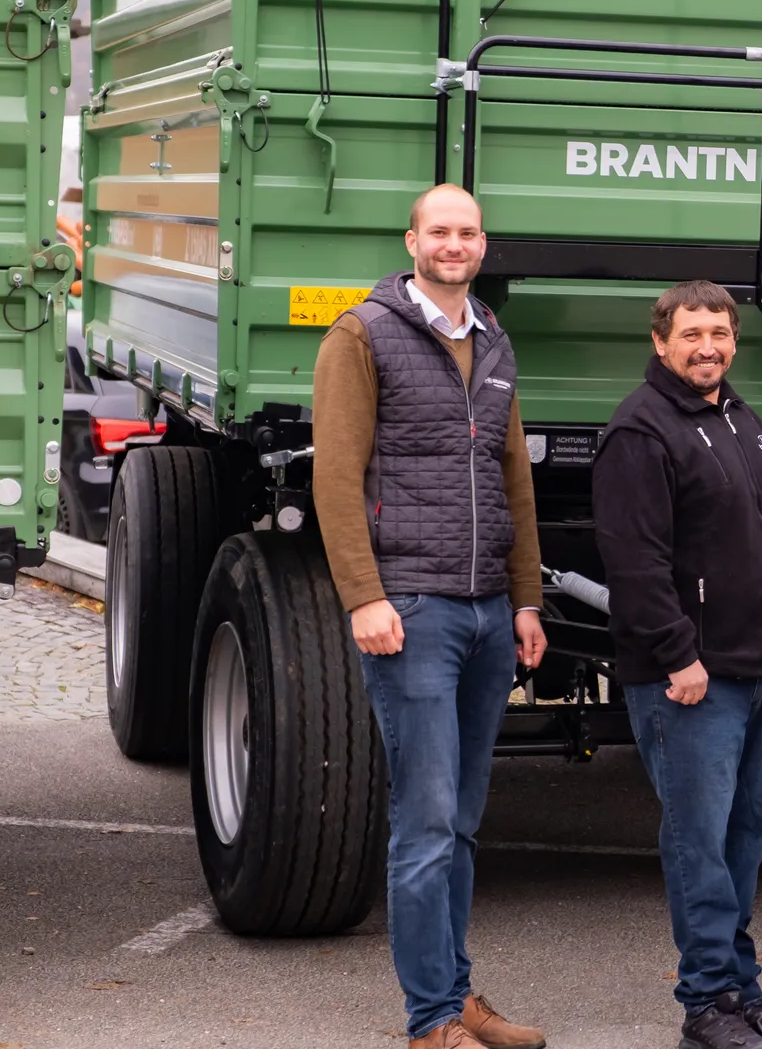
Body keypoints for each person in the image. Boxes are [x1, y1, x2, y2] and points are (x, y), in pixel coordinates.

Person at [312, 184, 550, 1049]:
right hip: (411, 609)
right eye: (440, 231)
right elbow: (336, 476)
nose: (455, 244)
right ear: (411, 241)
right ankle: (430, 1022)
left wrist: (526, 598)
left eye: (469, 233)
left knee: (463, 824)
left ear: (483, 245)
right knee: (426, 822)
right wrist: (364, 596)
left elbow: (513, 479)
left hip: (487, 611)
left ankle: (456, 992)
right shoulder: (361, 335)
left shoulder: (492, 336)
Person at [592, 280, 762, 1049]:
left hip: (755, 670)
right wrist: (676, 654)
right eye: (691, 334)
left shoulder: (742, 421)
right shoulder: (641, 430)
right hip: (689, 681)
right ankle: (706, 1005)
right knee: (700, 843)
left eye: (719, 333)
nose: (707, 347)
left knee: (744, 836)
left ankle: (740, 991)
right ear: (660, 342)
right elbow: (634, 560)